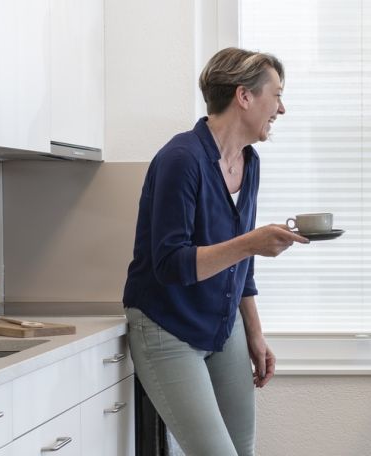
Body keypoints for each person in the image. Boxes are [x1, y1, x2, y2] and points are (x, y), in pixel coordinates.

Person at [122, 47, 306, 456]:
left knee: (243, 450)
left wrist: (255, 334)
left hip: (223, 325)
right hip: (166, 326)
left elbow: (244, 263)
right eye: (276, 95)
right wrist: (251, 241)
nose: (282, 108)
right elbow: (171, 265)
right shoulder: (181, 159)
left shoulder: (249, 162)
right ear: (244, 96)